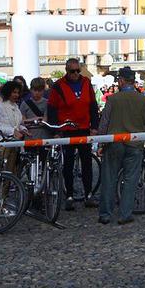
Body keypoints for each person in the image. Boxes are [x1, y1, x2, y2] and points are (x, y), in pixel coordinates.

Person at [97, 67, 145, 225]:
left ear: (121, 81)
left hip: (114, 144)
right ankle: (125, 213)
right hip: (135, 144)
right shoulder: (142, 99)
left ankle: (105, 214)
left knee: (109, 179)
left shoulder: (113, 100)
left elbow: (104, 125)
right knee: (130, 180)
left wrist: (100, 144)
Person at [49, 57, 101, 210]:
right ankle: (69, 195)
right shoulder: (58, 86)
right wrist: (56, 130)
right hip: (67, 129)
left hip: (84, 128)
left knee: (87, 163)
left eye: (78, 70)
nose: (76, 74)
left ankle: (89, 194)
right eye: (73, 71)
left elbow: (93, 105)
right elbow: (52, 109)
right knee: (68, 164)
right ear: (67, 71)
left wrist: (94, 126)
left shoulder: (86, 82)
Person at [0, 80, 26, 174]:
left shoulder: (16, 107)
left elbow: (18, 124)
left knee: (10, 174)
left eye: (18, 93)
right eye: (14, 92)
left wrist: (23, 130)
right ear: (8, 92)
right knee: (1, 173)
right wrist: (12, 131)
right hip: (2, 144)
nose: (16, 95)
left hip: (13, 144)